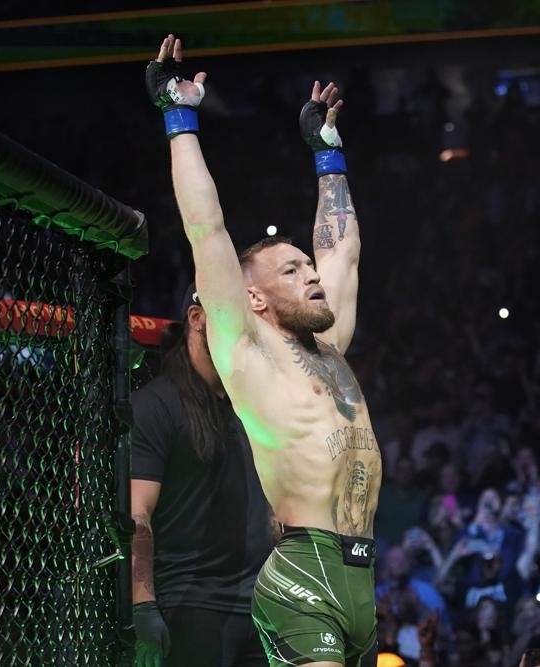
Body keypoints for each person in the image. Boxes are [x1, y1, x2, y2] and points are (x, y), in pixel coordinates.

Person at [146, 35, 381, 666]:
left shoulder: (329, 345)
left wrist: (328, 159)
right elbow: (207, 226)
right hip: (303, 574)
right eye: (290, 270)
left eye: (307, 264)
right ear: (252, 298)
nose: (310, 273)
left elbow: (344, 251)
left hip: (361, 571)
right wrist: (180, 119)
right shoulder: (250, 356)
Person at [131, 285, 272, 667]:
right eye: (233, 314)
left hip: (262, 607)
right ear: (196, 318)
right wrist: (143, 606)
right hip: (191, 606)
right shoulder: (156, 405)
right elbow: (137, 516)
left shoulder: (252, 406)